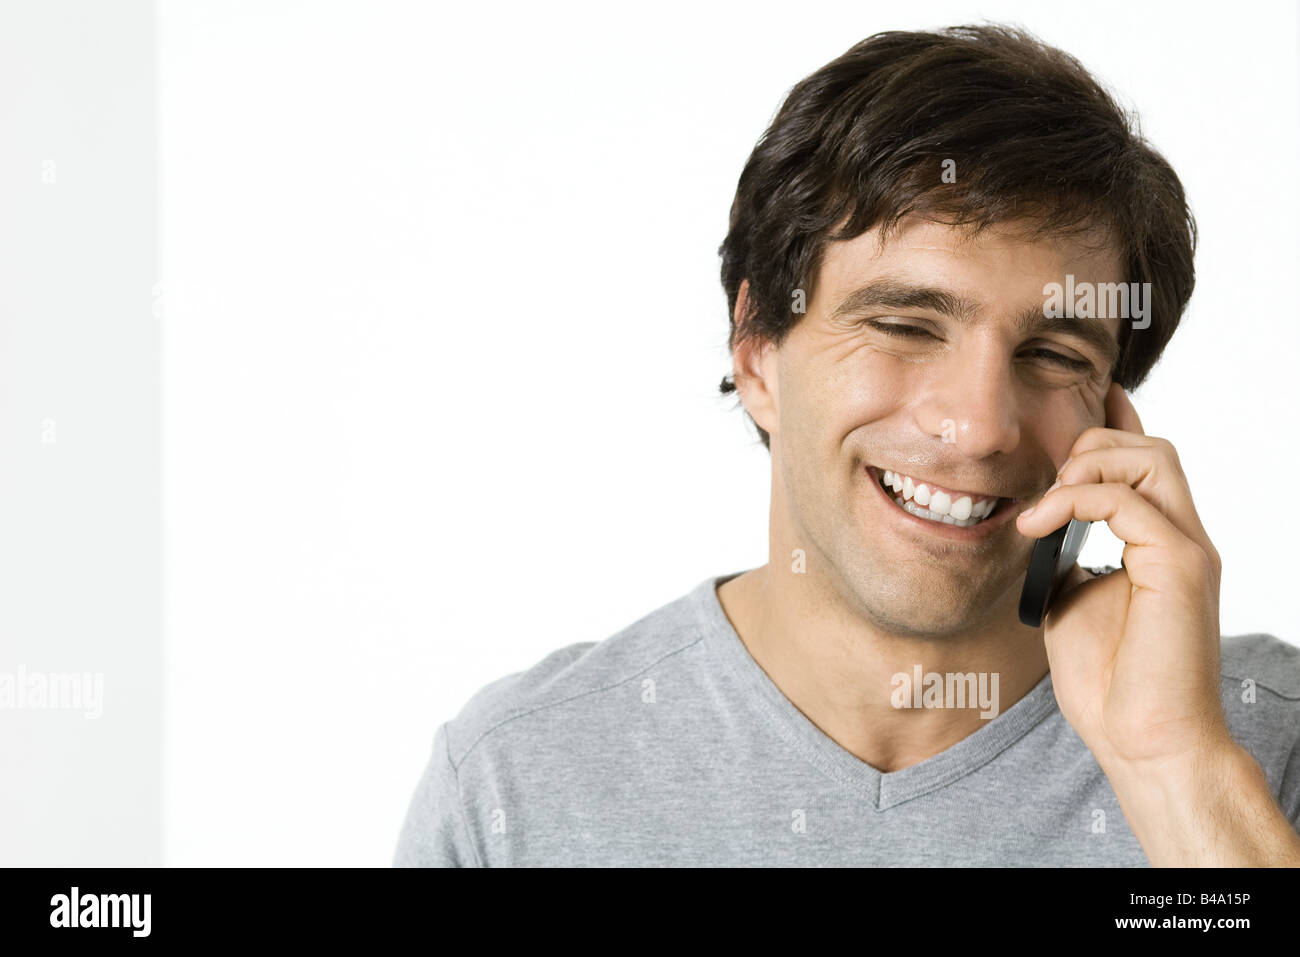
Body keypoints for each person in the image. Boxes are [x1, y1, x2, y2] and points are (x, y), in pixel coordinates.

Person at [394, 24, 1300, 866]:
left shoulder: (1264, 748)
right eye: (905, 324)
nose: (980, 427)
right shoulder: (517, 784)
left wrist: (1176, 770)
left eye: (1053, 353)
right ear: (758, 357)